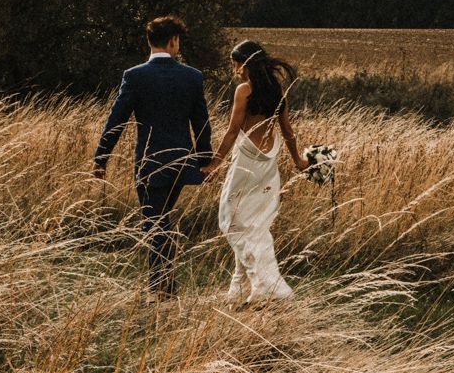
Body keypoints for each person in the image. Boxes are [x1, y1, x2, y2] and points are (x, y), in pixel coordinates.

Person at [93, 16, 212, 301]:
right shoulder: (192, 76)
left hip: (149, 163)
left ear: (150, 41)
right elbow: (202, 122)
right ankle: (164, 285)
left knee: (155, 222)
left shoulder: (134, 76)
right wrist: (205, 160)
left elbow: (116, 120)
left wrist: (101, 157)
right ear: (172, 41)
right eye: (178, 41)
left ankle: (162, 290)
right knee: (162, 220)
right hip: (182, 163)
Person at [201, 40, 308, 305]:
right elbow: (288, 132)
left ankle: (268, 286)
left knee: (231, 220)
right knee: (255, 224)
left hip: (246, 162)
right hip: (268, 166)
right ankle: (239, 288)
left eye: (235, 62)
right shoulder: (277, 91)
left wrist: (214, 163)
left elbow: (232, 131)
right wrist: (299, 162)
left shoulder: (244, 90)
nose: (234, 68)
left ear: (246, 63)